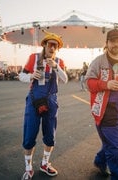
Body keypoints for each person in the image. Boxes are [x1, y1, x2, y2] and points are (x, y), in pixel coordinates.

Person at [85, 28, 118, 180]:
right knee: (114, 147)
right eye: (112, 41)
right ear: (106, 43)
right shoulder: (98, 61)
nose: (116, 44)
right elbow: (88, 83)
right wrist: (106, 84)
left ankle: (100, 160)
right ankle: (117, 176)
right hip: (107, 108)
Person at [19, 30, 68, 180]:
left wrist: (55, 67)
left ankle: (45, 163)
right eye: (50, 45)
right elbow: (21, 75)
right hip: (33, 101)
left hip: (51, 102)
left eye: (55, 46)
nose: (52, 48)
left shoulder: (59, 62)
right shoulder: (33, 58)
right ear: (45, 45)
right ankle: (28, 168)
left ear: (57, 48)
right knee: (29, 136)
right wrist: (30, 76)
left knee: (49, 136)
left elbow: (65, 79)